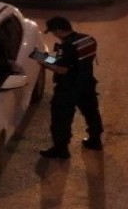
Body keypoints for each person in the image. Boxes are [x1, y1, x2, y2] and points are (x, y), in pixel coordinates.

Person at [36, 16, 103, 159]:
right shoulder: (87, 39)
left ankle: (61, 150)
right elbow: (70, 61)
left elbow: (62, 69)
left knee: (61, 119)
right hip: (87, 84)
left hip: (68, 88)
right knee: (91, 113)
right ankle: (95, 141)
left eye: (53, 32)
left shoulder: (67, 46)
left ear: (59, 30)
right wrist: (47, 57)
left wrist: (44, 63)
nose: (54, 35)